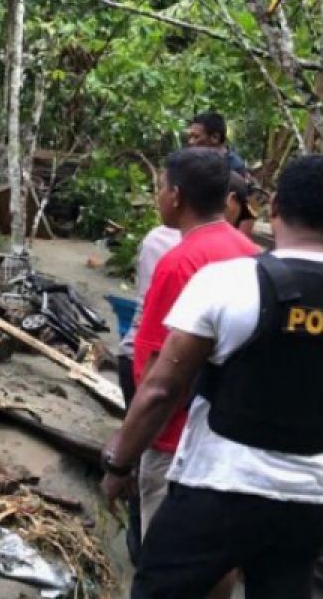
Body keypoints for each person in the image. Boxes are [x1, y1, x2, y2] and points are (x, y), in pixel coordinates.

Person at [101, 155, 323, 598]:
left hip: (220, 490)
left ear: (274, 208)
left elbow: (162, 388)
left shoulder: (228, 283)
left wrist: (119, 463)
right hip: (313, 502)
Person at [129, 149, 260, 538]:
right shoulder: (253, 255)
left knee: (162, 554)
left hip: (174, 441)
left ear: (176, 196)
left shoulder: (180, 261)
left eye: (161, 188)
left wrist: (126, 452)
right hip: (227, 439)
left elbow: (159, 374)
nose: (159, 197)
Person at [118, 221, 181, 561]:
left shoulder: (166, 243)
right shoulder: (239, 255)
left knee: (148, 457)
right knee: (152, 458)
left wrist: (116, 468)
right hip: (152, 364)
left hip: (146, 362)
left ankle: (141, 546)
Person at [187, 111, 249, 177]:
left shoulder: (234, 167)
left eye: (196, 137)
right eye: (190, 137)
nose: (191, 142)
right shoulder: (195, 161)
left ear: (215, 137)